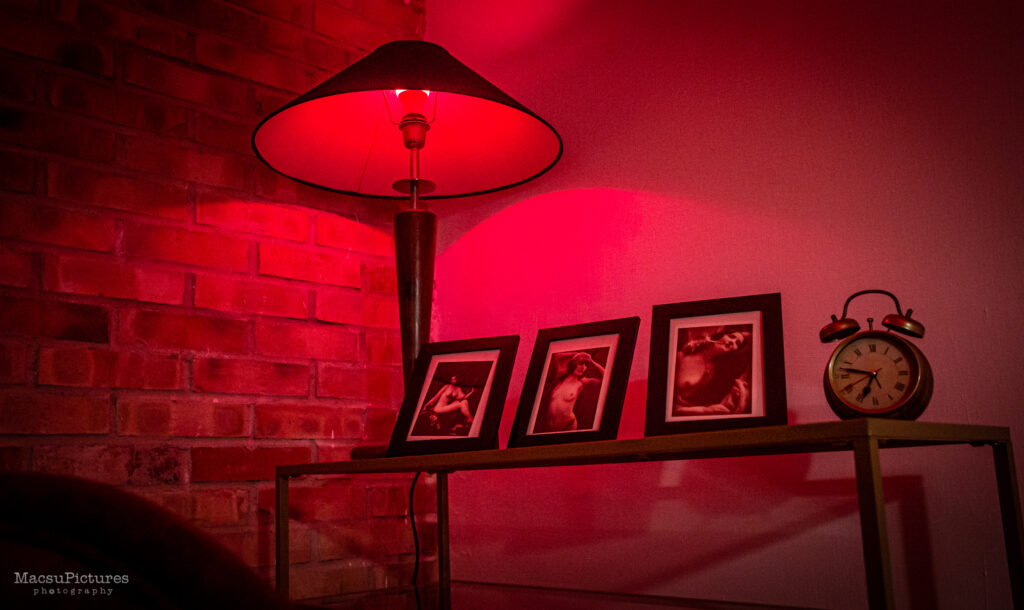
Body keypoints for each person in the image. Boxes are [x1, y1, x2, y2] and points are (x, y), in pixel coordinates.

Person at [672, 328, 752, 416]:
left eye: (737, 343)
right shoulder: (681, 357)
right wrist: (704, 411)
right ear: (720, 336)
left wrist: (707, 410)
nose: (733, 342)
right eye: (731, 336)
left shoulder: (715, 370)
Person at [536, 352, 605, 432]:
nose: (583, 367)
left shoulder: (583, 381)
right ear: (573, 364)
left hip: (568, 425)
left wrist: (592, 361)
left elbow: (606, 377)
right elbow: (556, 356)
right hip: (548, 427)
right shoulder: (560, 376)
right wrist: (576, 354)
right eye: (580, 363)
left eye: (586, 365)